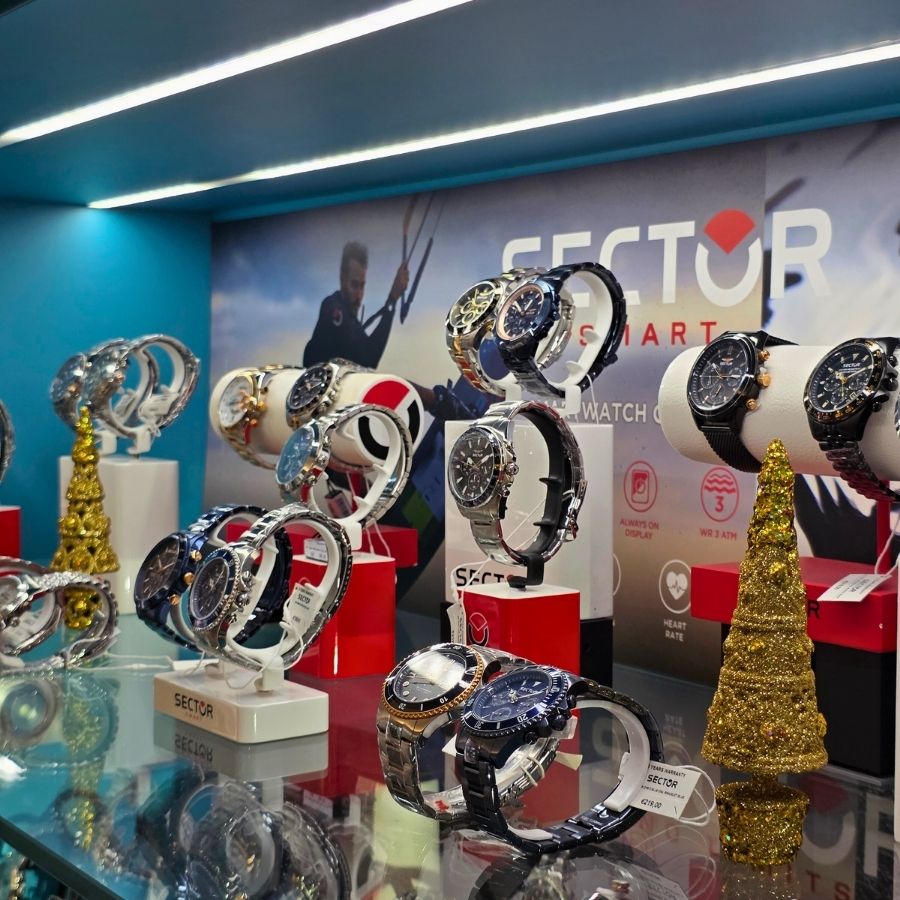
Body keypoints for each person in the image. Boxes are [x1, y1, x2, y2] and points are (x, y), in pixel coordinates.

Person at [303, 242, 408, 369]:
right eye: (354, 285)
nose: (359, 295)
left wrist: (392, 301)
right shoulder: (333, 308)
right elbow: (368, 359)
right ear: (342, 279)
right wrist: (392, 299)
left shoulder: (350, 320)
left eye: (362, 286)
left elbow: (368, 354)